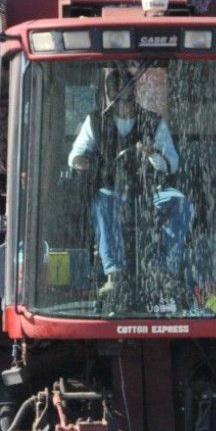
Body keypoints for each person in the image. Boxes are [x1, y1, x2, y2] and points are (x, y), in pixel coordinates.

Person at [68, 68, 193, 297]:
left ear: (135, 94)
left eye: (128, 98)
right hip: (112, 192)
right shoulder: (96, 121)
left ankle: (163, 270)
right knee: (102, 201)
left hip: (149, 193)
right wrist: (86, 162)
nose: (124, 104)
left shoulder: (153, 122)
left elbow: (173, 163)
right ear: (109, 96)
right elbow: (75, 156)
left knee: (181, 203)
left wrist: (152, 153)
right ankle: (114, 275)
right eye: (118, 98)